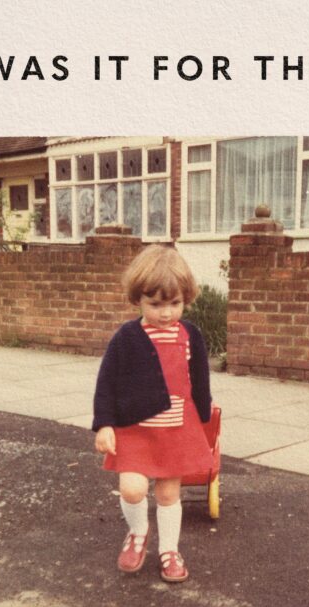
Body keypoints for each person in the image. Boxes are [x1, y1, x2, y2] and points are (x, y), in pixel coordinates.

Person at [92, 244, 213, 583]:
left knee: (168, 494)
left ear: (185, 299)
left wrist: (204, 421)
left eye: (174, 303)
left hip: (175, 432)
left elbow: (200, 380)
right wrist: (104, 424)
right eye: (155, 304)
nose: (165, 313)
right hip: (136, 430)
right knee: (132, 489)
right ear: (138, 299)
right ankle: (138, 533)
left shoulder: (190, 336)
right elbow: (107, 383)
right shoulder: (127, 338)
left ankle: (169, 550)